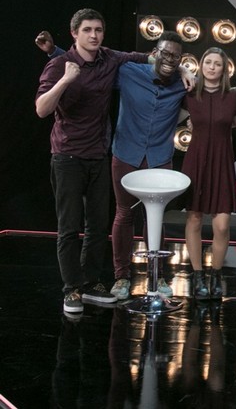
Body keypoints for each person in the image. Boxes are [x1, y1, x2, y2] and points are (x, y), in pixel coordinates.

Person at [38, 30, 192, 302]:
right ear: (154, 53)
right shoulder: (130, 72)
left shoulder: (184, 83)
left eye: (175, 57)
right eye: (165, 54)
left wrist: (188, 73)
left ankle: (158, 276)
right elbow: (90, 66)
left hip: (159, 156)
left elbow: (211, 89)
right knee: (124, 213)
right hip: (126, 153)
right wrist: (54, 52)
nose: (170, 60)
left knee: (155, 217)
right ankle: (122, 276)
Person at [36, 9, 150, 314]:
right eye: (87, 30)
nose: (94, 35)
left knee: (98, 226)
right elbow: (42, 109)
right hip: (67, 156)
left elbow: (144, 58)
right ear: (74, 33)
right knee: (69, 228)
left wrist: (184, 71)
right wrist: (65, 80)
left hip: (99, 154)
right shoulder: (59, 64)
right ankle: (71, 289)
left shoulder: (108, 58)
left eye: (98, 30)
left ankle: (89, 283)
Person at [182, 47, 236, 300]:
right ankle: (198, 275)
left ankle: (216, 274)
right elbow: (169, 117)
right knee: (195, 219)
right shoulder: (189, 94)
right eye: (207, 62)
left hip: (222, 163)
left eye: (217, 64)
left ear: (224, 69)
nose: (211, 67)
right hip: (196, 162)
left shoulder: (233, 96)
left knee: (222, 225)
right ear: (201, 65)